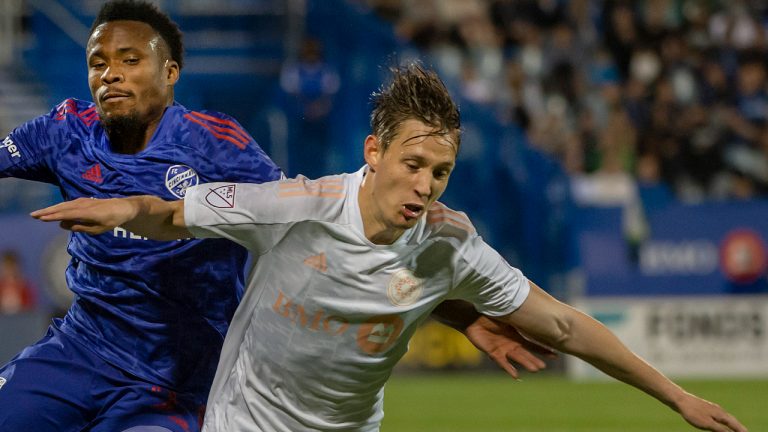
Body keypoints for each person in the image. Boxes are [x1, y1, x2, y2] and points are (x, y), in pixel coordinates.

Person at [33, 63, 748, 432]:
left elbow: (562, 324)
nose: (426, 184)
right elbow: (173, 213)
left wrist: (678, 398)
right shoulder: (298, 207)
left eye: (440, 172)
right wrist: (125, 205)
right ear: (373, 152)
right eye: (413, 164)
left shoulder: (451, 245)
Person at [0, 2, 551, 431]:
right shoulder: (64, 130)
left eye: (129, 60)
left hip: (181, 373)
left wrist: (460, 312)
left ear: (170, 73)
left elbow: (317, 231)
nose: (111, 75)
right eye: (99, 62)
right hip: (83, 347)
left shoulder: (216, 147)